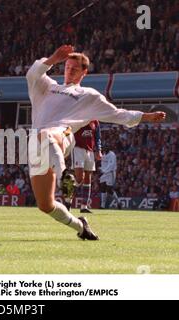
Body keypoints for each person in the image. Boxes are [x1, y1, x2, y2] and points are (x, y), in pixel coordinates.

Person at [26, 44, 166, 241]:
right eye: (67, 67)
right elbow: (32, 74)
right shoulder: (47, 87)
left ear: (84, 72)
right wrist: (53, 59)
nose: (69, 71)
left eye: (75, 68)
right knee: (45, 204)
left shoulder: (88, 95)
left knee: (48, 134)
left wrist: (145, 116)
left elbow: (116, 114)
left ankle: (65, 175)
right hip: (37, 146)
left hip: (62, 136)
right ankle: (80, 226)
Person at [69, 120, 102, 213]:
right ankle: (68, 200)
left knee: (88, 177)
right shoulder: (79, 115)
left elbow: (98, 136)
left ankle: (84, 206)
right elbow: (69, 130)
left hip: (90, 150)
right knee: (79, 177)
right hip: (77, 148)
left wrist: (99, 150)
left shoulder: (95, 121)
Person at [99, 145, 121, 209]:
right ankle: (102, 206)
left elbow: (111, 165)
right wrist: (101, 169)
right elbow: (103, 164)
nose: (105, 148)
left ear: (109, 148)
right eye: (104, 147)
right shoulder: (103, 154)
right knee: (103, 187)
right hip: (104, 173)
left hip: (110, 173)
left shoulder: (112, 155)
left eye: (106, 147)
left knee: (109, 189)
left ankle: (118, 202)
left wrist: (104, 170)